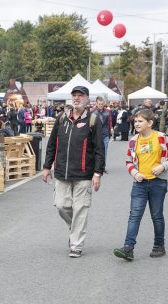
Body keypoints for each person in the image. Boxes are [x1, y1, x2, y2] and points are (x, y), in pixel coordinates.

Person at [42, 85, 105, 258]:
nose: (77, 98)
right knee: (61, 205)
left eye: (80, 95)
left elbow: (99, 149)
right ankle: (75, 229)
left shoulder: (93, 120)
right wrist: (47, 167)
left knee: (80, 208)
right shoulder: (62, 118)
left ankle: (76, 245)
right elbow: (52, 144)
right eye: (74, 95)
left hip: (84, 174)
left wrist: (97, 173)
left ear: (87, 99)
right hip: (62, 172)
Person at [113, 109, 168, 261]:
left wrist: (163, 166)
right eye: (135, 121)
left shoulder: (162, 138)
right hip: (139, 183)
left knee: (156, 215)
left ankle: (159, 245)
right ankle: (128, 248)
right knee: (134, 216)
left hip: (158, 183)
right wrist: (134, 173)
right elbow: (128, 161)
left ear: (150, 123)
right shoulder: (133, 140)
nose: (136, 124)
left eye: (140, 121)